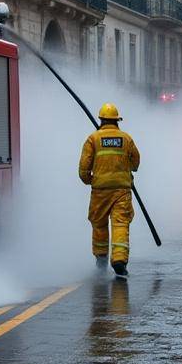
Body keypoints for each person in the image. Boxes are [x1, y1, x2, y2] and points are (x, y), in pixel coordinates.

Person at [79, 103, 141, 278]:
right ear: (117, 121)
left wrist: (90, 180)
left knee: (99, 224)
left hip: (100, 190)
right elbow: (135, 161)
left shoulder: (93, 139)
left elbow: (84, 168)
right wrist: (129, 170)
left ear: (101, 120)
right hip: (122, 190)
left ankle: (101, 259)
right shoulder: (126, 138)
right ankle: (119, 260)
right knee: (120, 223)